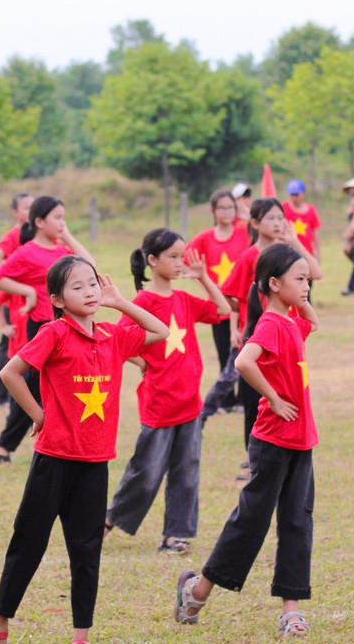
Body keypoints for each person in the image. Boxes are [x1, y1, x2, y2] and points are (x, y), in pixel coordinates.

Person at [0, 259, 167, 644]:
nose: (90, 293)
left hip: (95, 461)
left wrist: (120, 302)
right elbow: (11, 373)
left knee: (86, 548)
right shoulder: (55, 334)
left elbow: (159, 330)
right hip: (54, 458)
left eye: (93, 285)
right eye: (77, 287)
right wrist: (38, 414)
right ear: (57, 300)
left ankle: (81, 635)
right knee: (29, 541)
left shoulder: (113, 337)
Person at [173, 243, 320, 638]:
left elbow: (313, 321)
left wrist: (301, 295)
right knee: (250, 522)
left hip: (301, 439)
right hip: (274, 440)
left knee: (296, 522)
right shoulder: (270, 324)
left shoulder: (287, 321)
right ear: (273, 284)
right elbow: (242, 361)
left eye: (307, 279)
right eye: (299, 279)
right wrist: (272, 397)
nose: (307, 286)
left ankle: (291, 609)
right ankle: (196, 591)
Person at [105, 230, 229, 554]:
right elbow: (117, 340)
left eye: (181, 256)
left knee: (187, 471)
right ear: (152, 260)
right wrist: (140, 362)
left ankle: (175, 535)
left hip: (190, 402)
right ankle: (112, 517)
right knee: (146, 471)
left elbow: (223, 310)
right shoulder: (143, 302)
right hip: (159, 402)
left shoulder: (184, 300)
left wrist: (202, 278)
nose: (179, 263)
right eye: (173, 256)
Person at [0, 196, 94, 466]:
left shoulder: (62, 252)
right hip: (42, 329)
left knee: (68, 386)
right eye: (57, 218)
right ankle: (4, 445)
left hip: (69, 327)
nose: (62, 223)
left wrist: (66, 235)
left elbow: (90, 265)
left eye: (64, 217)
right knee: (33, 390)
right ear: (38, 221)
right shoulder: (26, 252)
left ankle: (69, 443)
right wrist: (27, 291)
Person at [218, 199, 322, 460]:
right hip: (261, 333)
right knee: (254, 403)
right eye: (271, 218)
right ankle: (252, 455)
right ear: (255, 223)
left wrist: (294, 241)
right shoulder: (249, 258)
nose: (278, 223)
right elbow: (230, 296)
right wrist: (242, 318)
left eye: (280, 217)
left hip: (282, 328)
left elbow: (315, 272)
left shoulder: (288, 256)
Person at [188, 190, 249, 416]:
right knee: (225, 353)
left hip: (241, 305)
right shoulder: (205, 238)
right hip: (219, 306)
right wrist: (204, 284)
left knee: (246, 352)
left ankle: (244, 399)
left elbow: (262, 233)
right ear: (213, 210)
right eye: (222, 208)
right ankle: (225, 401)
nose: (226, 212)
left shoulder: (243, 233)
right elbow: (186, 259)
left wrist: (247, 213)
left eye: (230, 207)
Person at [0, 193, 34, 406]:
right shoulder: (14, 235)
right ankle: (1, 395)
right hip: (14, 303)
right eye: (26, 208)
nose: (31, 212)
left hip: (33, 304)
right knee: (9, 347)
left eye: (34, 207)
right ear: (15, 212)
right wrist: (15, 280)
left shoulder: (41, 235)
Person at [283, 180, 321, 261]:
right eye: (291, 195)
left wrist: (318, 252)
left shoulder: (311, 210)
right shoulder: (283, 207)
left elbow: (316, 231)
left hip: (307, 252)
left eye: (296, 195)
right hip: (288, 251)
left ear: (303, 194)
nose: (294, 198)